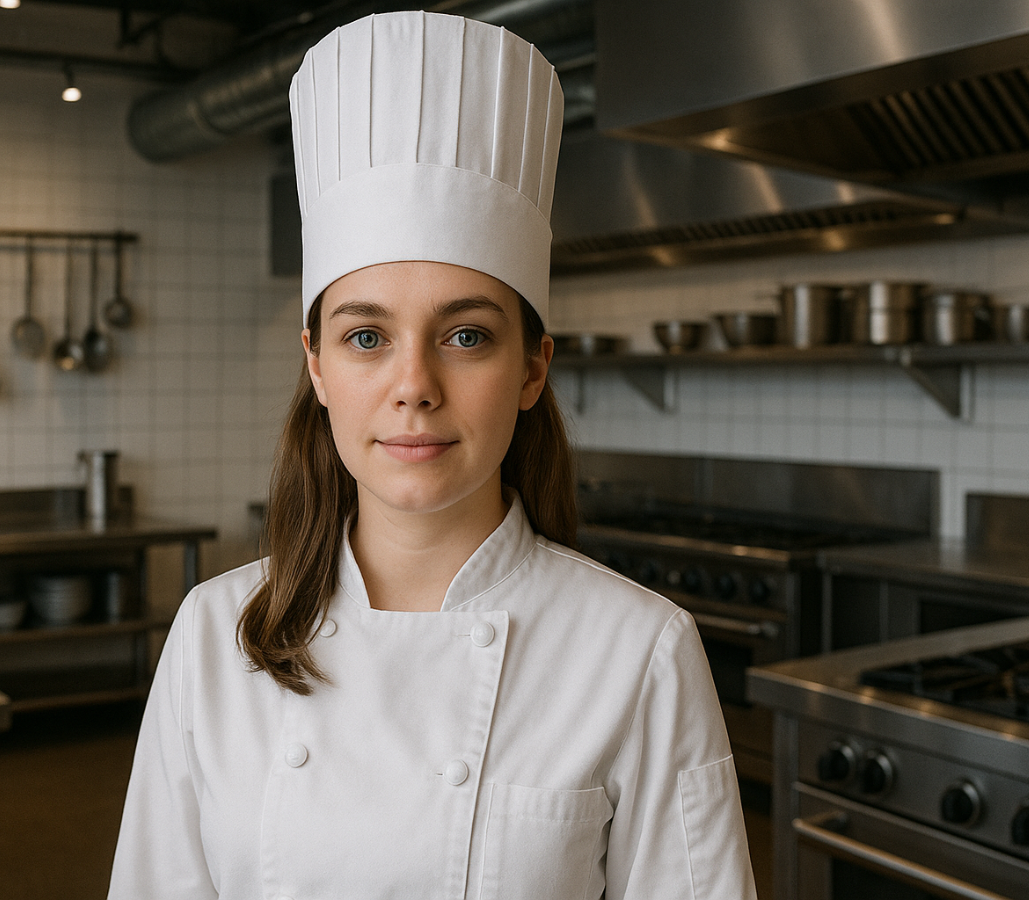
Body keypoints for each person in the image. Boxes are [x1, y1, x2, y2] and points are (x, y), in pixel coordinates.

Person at [108, 11, 758, 900]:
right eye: (367, 336)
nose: (413, 385)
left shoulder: (637, 651)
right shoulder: (215, 637)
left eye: (464, 334)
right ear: (318, 367)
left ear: (532, 366)